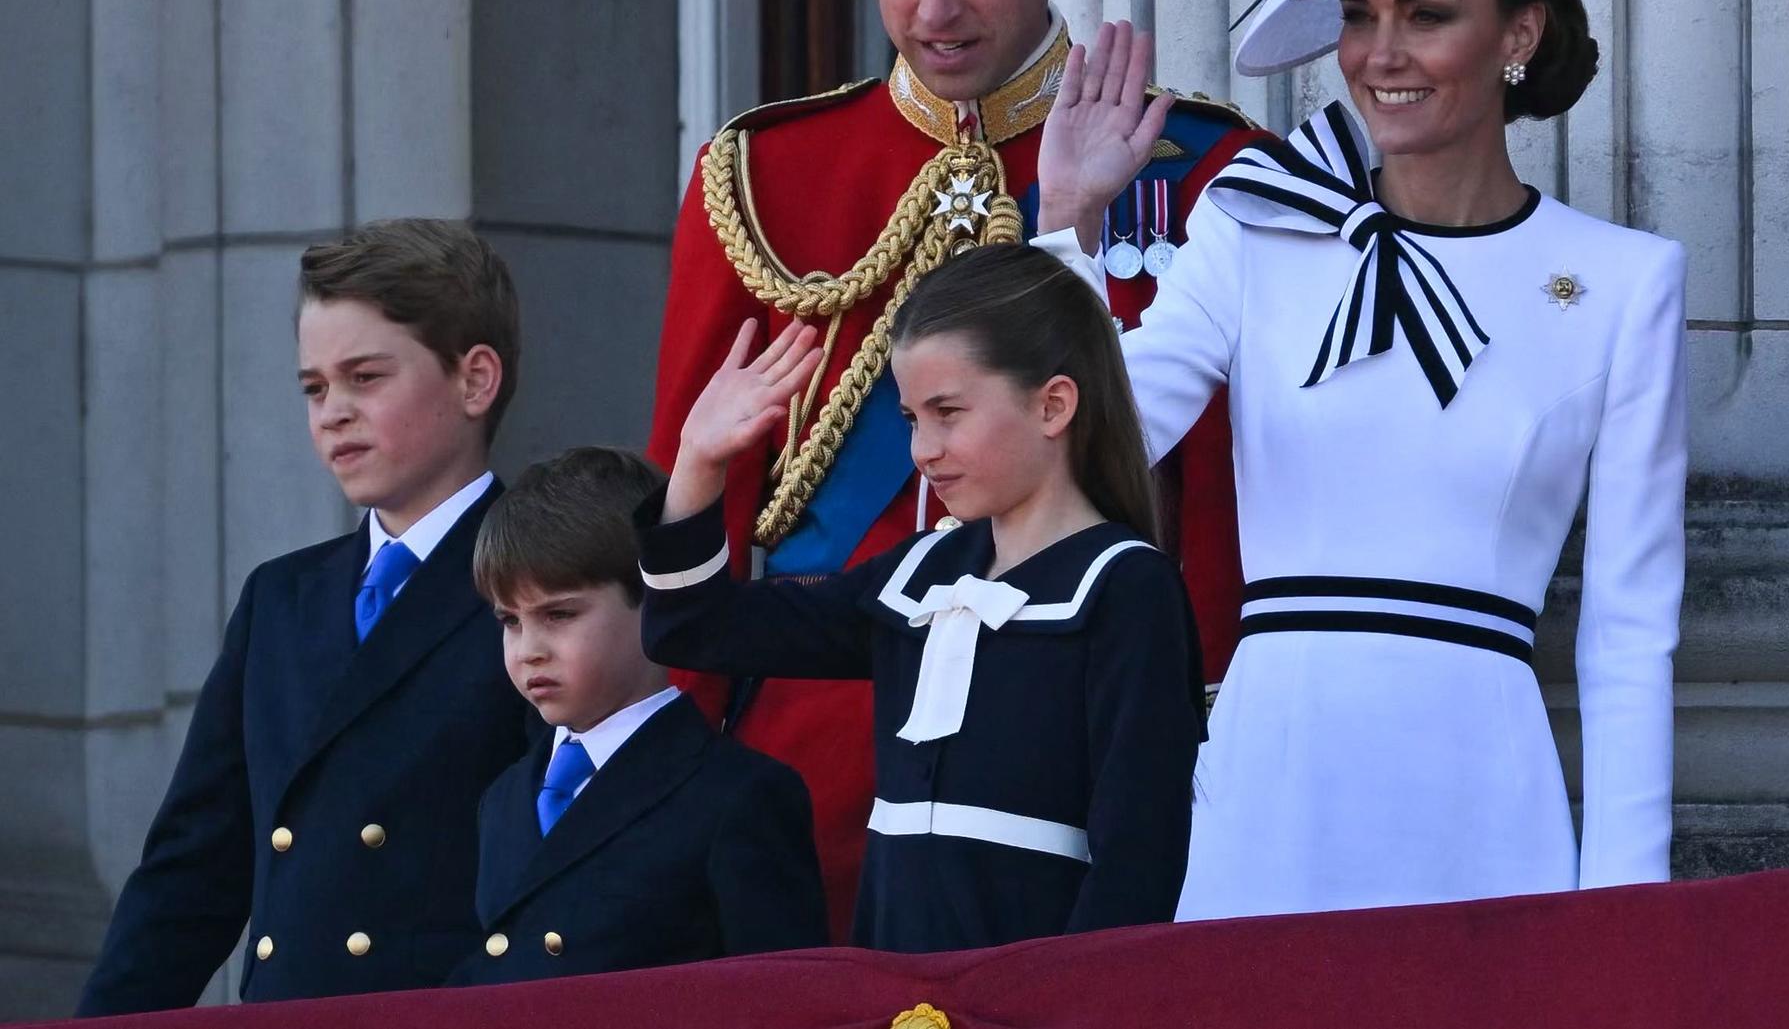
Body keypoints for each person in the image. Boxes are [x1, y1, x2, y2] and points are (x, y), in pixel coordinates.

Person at [1037, 0, 1687, 918]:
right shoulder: (1253, 223)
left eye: (1426, 13)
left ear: (1517, 34)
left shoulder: (1626, 281)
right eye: (1358, 13)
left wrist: (1625, 907)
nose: (1379, 53)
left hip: (1483, 792)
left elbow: (1631, 629)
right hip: (1272, 774)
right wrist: (1066, 224)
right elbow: (1083, 452)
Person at [645, 0, 1261, 930]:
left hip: (1070, 777)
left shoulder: (1202, 173)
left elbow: (1223, 524)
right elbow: (700, 491)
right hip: (801, 775)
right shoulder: (767, 175)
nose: (934, 6)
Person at [639, 244, 1203, 952]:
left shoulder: (1126, 588)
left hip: (1034, 996)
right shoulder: (919, 574)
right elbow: (694, 629)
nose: (923, 450)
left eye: (948, 412)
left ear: (1053, 404)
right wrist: (699, 458)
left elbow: (1138, 861)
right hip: (901, 989)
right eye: (911, 417)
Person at [80, 221, 536, 1012]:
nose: (333, 412)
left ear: (475, 380)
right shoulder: (279, 600)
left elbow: (565, 873)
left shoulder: (539, 586)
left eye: (365, 377)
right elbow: (193, 870)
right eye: (314, 387)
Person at [452, 446, 824, 985]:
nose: (528, 648)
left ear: (655, 602)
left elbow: (783, 1000)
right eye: (510, 621)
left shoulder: (738, 795)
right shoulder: (504, 797)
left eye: (559, 614)